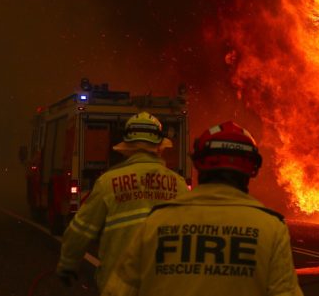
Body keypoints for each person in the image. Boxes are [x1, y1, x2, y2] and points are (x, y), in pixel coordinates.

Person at [102, 121, 303, 296]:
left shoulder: (156, 222)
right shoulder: (271, 228)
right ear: (252, 168)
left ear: (199, 163)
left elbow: (117, 291)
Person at [56, 112, 188, 291]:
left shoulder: (107, 183)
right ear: (160, 147)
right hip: (165, 286)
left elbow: (80, 231)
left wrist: (67, 265)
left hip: (118, 286)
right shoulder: (179, 185)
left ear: (127, 147)